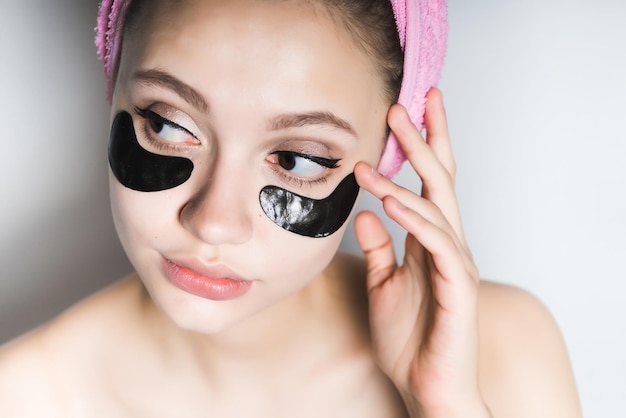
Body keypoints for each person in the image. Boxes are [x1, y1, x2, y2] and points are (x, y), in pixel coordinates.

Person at [0, 0, 582, 416]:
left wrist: (446, 405)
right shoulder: (22, 396)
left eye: (298, 159)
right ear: (113, 79)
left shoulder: (506, 349)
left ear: (389, 157)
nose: (214, 223)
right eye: (167, 124)